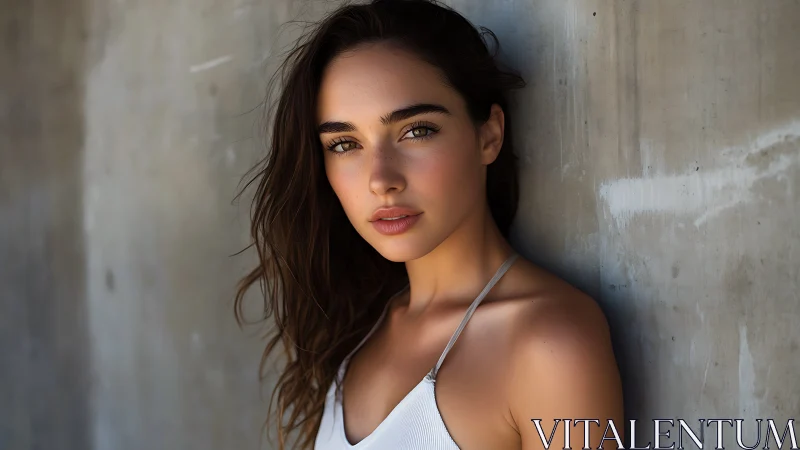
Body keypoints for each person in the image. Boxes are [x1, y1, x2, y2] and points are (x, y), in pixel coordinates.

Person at [235, 0, 623, 449]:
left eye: (416, 131)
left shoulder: (549, 345)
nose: (381, 180)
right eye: (345, 144)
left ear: (489, 136)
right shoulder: (360, 326)